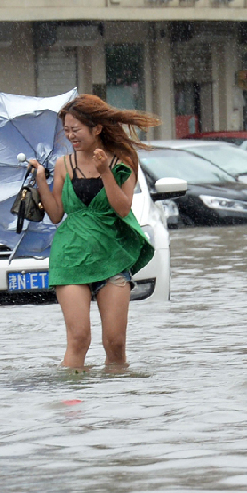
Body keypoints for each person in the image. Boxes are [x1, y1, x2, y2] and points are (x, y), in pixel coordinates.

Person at [31, 95, 160, 369]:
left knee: (115, 343)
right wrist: (42, 179)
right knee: (79, 338)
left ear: (97, 128)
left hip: (112, 256)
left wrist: (105, 173)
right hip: (71, 256)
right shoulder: (64, 164)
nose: (70, 136)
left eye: (75, 130)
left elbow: (123, 209)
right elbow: (55, 215)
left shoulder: (124, 160)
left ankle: (113, 405)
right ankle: (73, 402)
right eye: (66, 130)